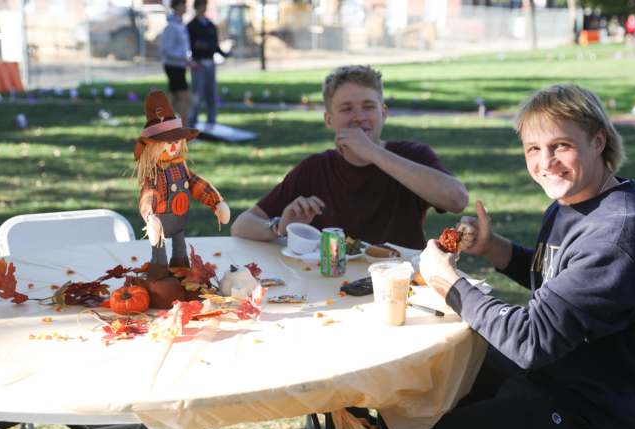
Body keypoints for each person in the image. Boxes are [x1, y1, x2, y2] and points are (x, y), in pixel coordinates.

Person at [418, 84, 635, 429]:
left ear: (598, 141)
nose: (545, 163)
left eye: (561, 145)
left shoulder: (614, 236)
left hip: (612, 410)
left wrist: (452, 286)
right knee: (455, 371)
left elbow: (530, 342)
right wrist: (496, 249)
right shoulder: (580, 201)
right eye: (533, 149)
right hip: (581, 375)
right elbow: (560, 279)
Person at [230, 64, 468, 249]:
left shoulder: (413, 155)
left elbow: (457, 200)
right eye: (346, 109)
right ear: (329, 120)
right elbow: (241, 225)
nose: (359, 117)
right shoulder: (316, 168)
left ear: (383, 113)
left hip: (403, 283)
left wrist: (373, 152)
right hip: (332, 286)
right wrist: (279, 227)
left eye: (368, 106)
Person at [133, 90, 230, 280]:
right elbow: (148, 196)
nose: (172, 147)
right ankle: (159, 274)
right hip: (160, 223)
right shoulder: (155, 175)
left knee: (180, 249)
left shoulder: (182, 169)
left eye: (176, 141)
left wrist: (216, 202)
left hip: (179, 222)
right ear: (152, 146)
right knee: (159, 253)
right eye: (165, 142)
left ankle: (181, 271)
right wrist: (150, 217)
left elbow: (196, 184)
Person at [187, 0, 228, 129]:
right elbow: (189, 44)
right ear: (196, 7)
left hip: (210, 62)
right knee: (197, 93)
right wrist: (198, 47)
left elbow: (215, 45)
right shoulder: (191, 26)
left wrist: (224, 53)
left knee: (211, 92)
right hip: (198, 63)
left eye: (205, 5)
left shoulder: (210, 25)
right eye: (201, 5)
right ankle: (193, 121)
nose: (203, 8)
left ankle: (212, 122)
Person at [160, 0, 192, 122]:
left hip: (180, 66)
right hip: (173, 66)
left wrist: (187, 59)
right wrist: (182, 58)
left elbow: (183, 47)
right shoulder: (171, 26)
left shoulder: (180, 25)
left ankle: (166, 127)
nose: (186, 7)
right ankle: (182, 130)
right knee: (184, 98)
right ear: (177, 6)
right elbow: (166, 50)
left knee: (173, 97)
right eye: (183, 5)